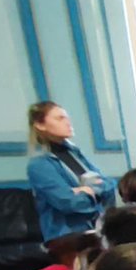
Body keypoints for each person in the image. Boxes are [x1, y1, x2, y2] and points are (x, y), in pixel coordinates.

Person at [26, 101, 117, 242]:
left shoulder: (75, 153)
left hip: (96, 229)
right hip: (67, 238)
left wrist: (85, 190)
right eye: (60, 118)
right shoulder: (39, 165)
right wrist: (93, 192)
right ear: (40, 125)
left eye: (67, 118)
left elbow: (109, 185)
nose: (68, 123)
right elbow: (68, 203)